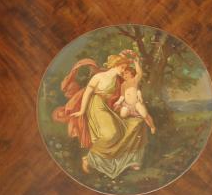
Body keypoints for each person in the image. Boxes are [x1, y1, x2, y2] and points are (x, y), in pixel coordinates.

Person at [52, 50, 154, 179]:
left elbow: (136, 75)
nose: (124, 71)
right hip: (95, 106)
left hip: (105, 107)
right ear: (115, 65)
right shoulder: (99, 77)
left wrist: (134, 59)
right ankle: (89, 159)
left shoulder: (118, 79)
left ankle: (129, 160)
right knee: (111, 134)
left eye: (124, 68)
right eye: (122, 67)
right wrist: (83, 110)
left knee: (132, 125)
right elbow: (88, 93)